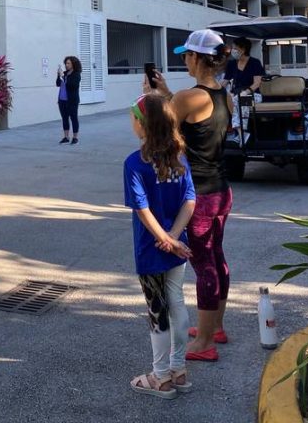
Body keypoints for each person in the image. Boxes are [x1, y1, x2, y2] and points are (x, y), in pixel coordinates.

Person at [148, 29, 233, 362]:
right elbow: (195, 123)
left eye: (186, 54)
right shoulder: (221, 94)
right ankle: (215, 326)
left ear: (197, 57)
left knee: (203, 263)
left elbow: (161, 132)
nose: (183, 59)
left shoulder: (188, 96)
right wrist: (168, 94)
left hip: (198, 194)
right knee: (217, 258)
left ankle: (204, 342)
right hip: (222, 189)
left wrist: (154, 100)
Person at [125, 94, 196, 399]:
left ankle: (160, 377)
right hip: (177, 246)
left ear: (143, 124)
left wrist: (165, 240)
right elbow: (189, 200)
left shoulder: (135, 163)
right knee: (176, 302)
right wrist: (175, 238)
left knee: (157, 310)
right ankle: (178, 370)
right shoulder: (180, 157)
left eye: (133, 116)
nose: (131, 122)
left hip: (151, 248)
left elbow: (142, 209)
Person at [56, 55, 82, 144]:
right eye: (65, 63)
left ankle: (75, 138)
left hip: (72, 100)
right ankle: (66, 137)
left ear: (73, 64)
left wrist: (63, 76)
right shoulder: (64, 73)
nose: (66, 65)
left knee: (73, 118)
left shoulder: (76, 74)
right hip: (62, 100)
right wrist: (58, 75)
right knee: (64, 118)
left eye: (68, 63)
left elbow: (72, 86)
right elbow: (58, 84)